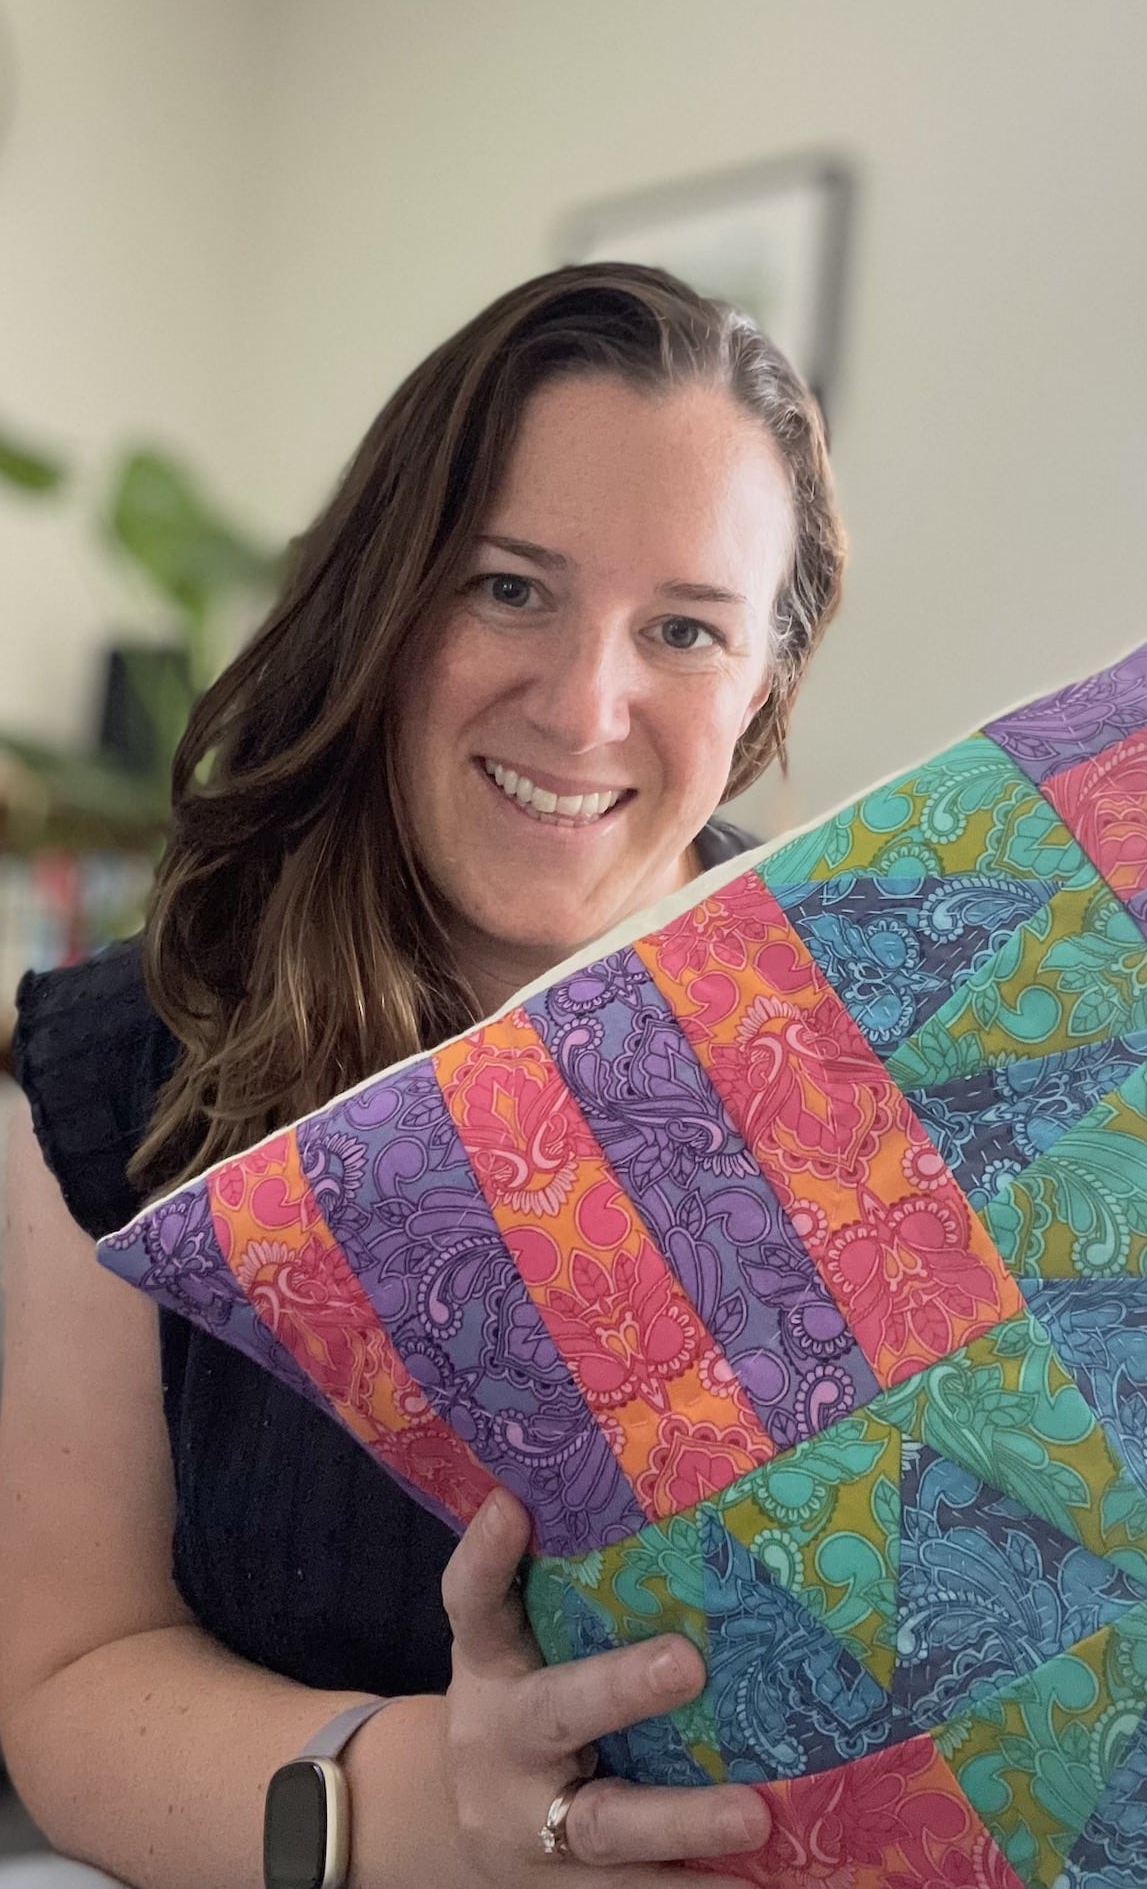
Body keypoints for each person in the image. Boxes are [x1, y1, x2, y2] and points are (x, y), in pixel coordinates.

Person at [0, 264, 845, 1889]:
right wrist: (433, 1814)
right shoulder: (134, 1060)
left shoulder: (876, 1039)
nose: (586, 703)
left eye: (683, 630)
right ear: (387, 599)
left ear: (758, 695)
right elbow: (70, 1678)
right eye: (511, 588)